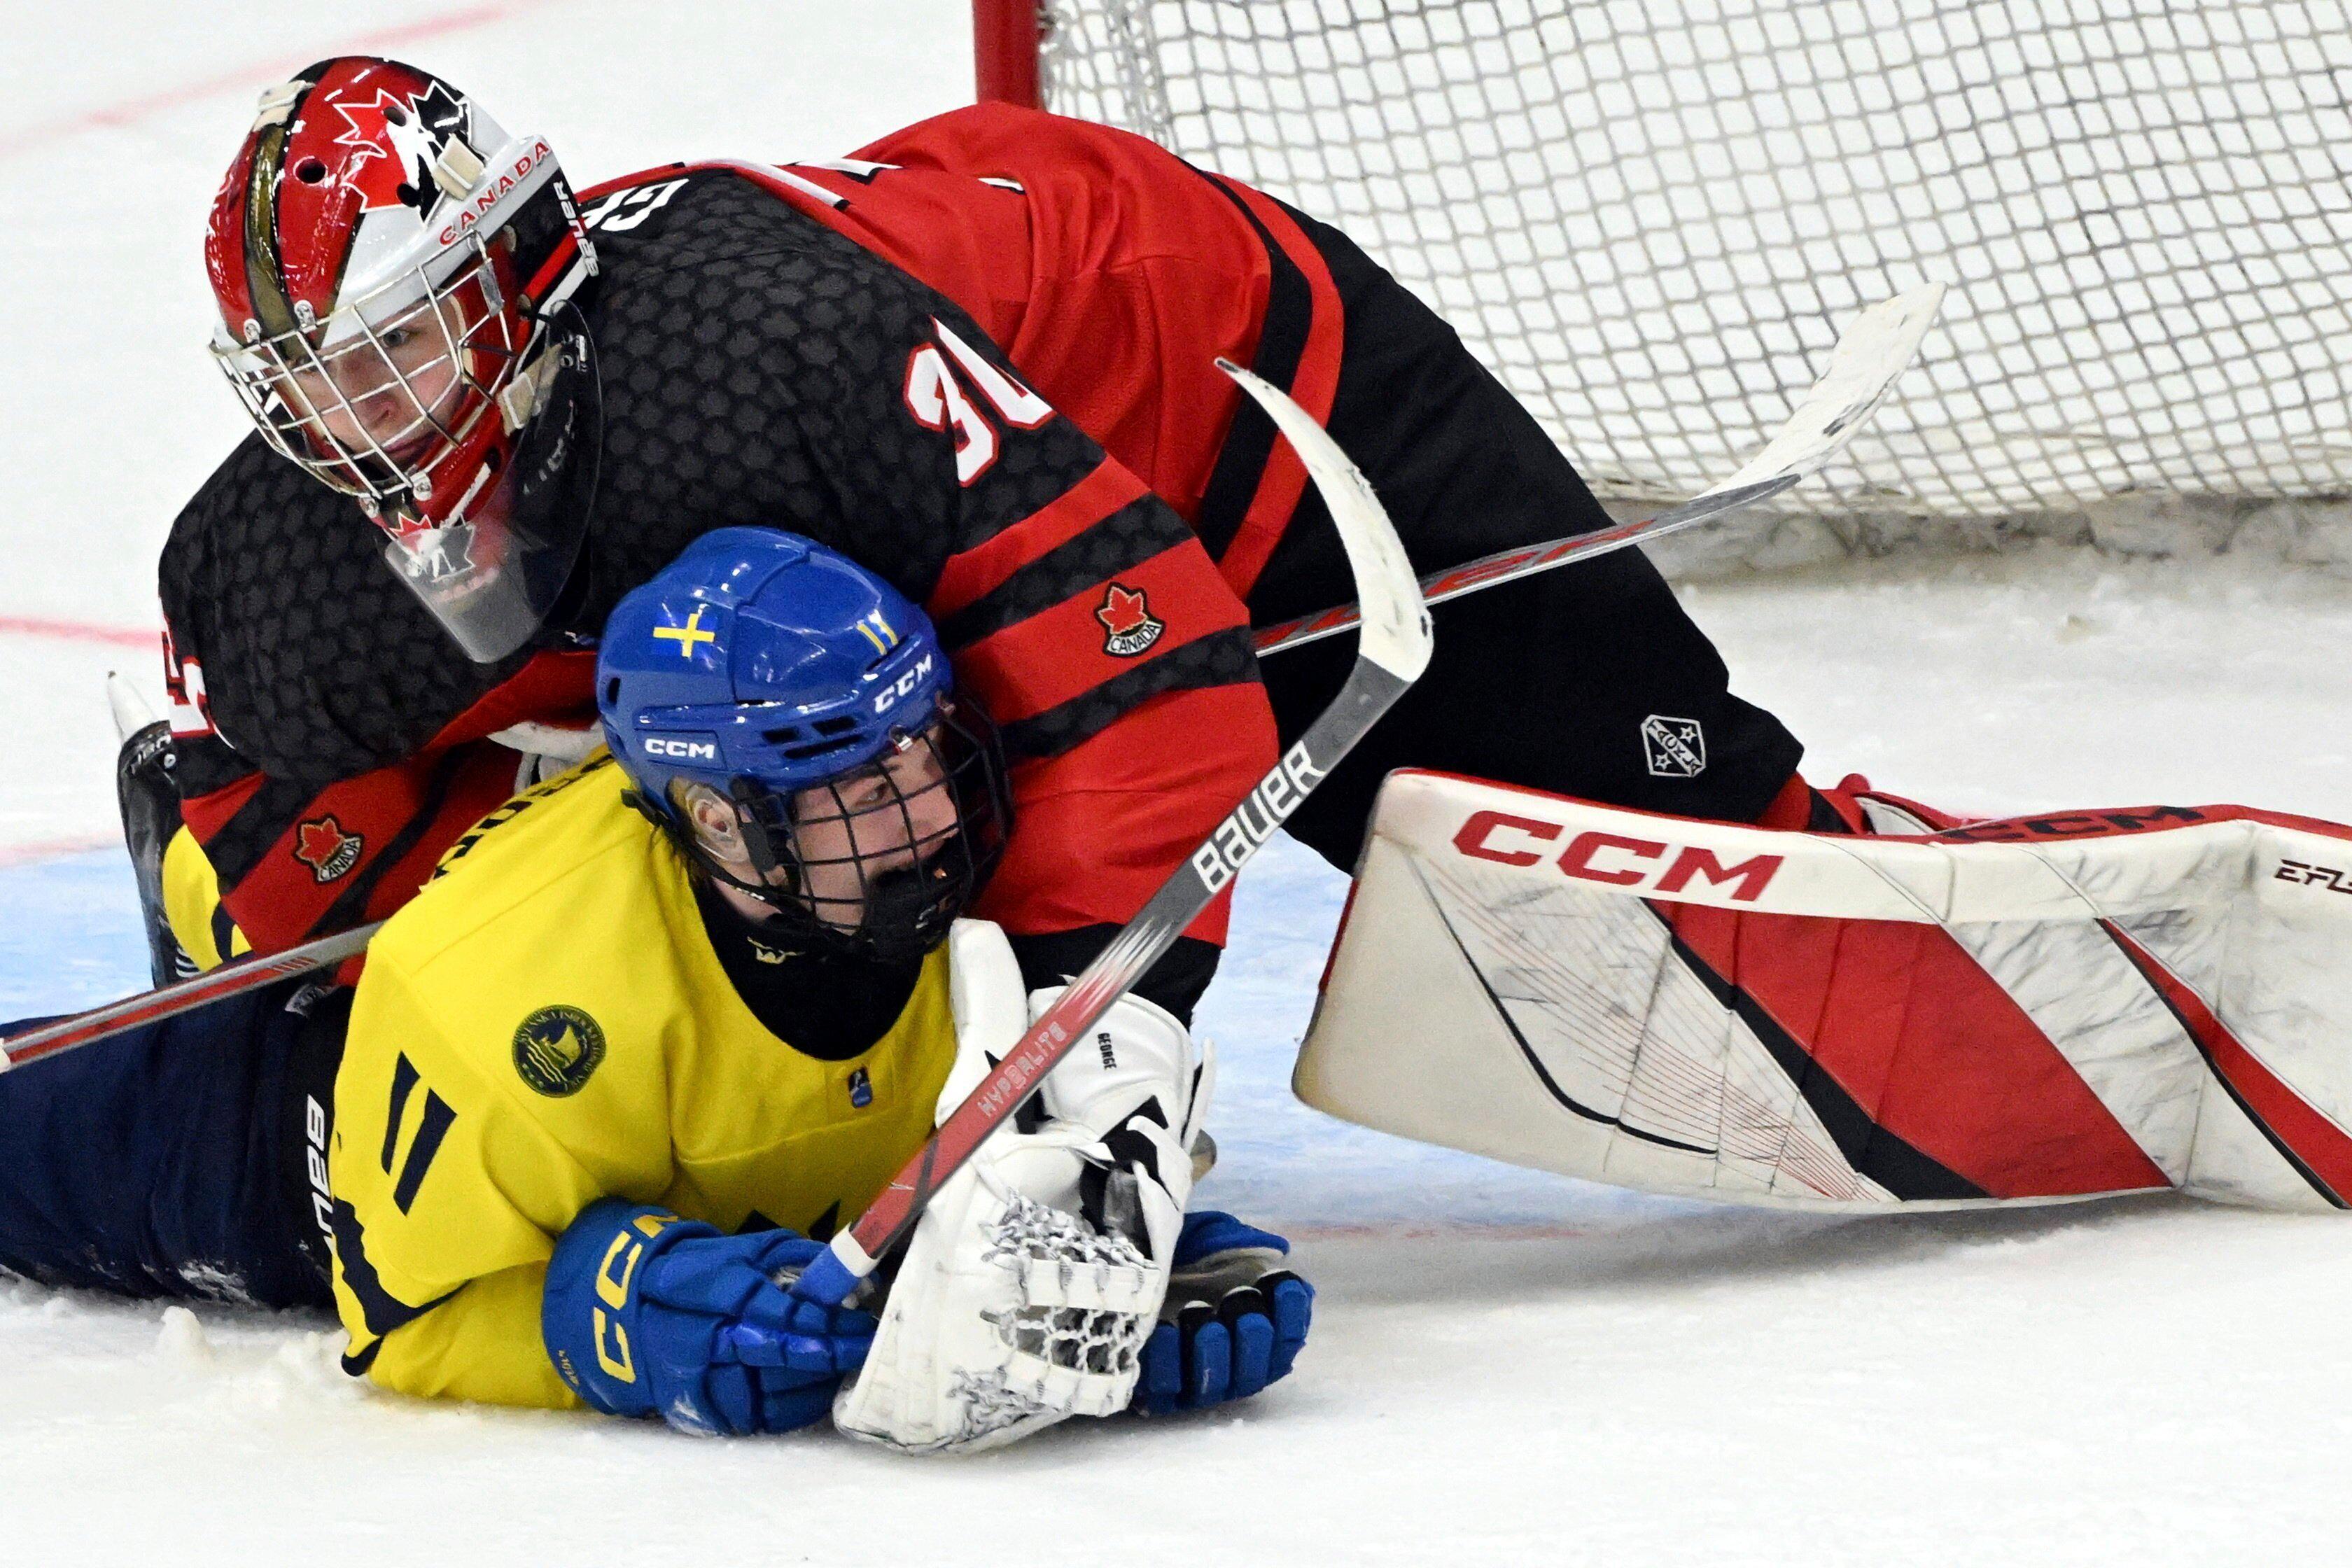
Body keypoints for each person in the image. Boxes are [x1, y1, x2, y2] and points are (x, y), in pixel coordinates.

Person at [146, 55, 1858, 1033]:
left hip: (1212, 377)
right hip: (916, 468)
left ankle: (1818, 851)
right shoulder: (281, 553)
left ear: (514, 274)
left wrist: (1091, 1064)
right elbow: (258, 747)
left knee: (1663, 849)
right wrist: (281, 964)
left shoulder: (774, 364)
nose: (357, 428)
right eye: (305, 383)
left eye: (397, 351)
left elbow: (1153, 687)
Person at [6, 532, 1311, 1441]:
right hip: (304, 1113)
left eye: (923, 753)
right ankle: (196, 864)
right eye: (861, 789)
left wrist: (1127, 1253)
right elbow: (404, 1318)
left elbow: (1032, 1172)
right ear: (722, 825)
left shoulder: (991, 885)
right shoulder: (496, 996)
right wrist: (592, 1324)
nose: (927, 817)